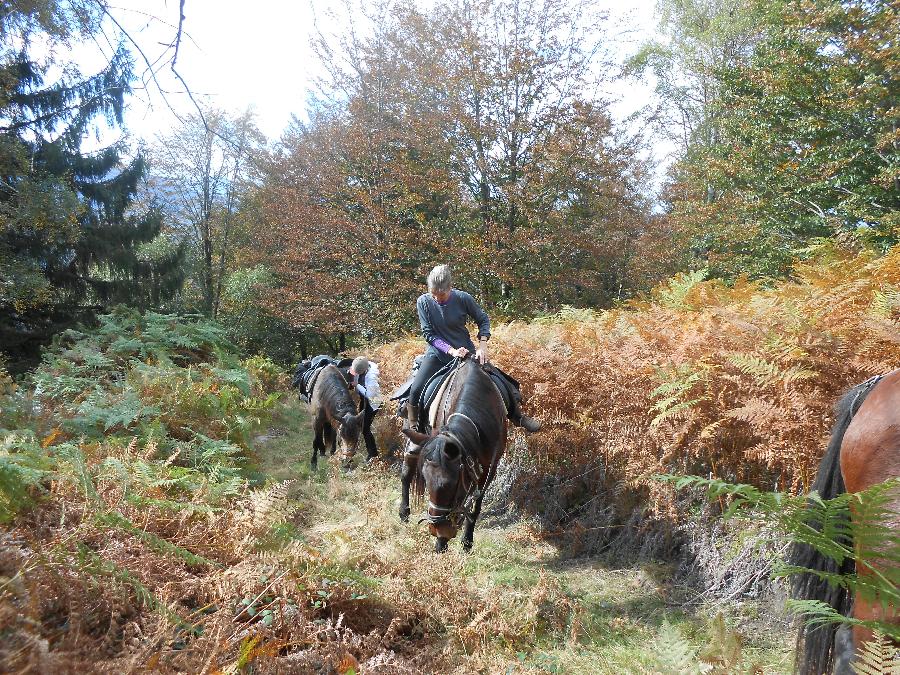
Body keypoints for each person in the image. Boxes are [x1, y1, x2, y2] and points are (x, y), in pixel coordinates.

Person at [406, 263, 541, 433]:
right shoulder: (423, 302)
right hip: (438, 355)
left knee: (497, 380)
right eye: (434, 294)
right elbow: (429, 335)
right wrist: (451, 351)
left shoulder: (463, 298)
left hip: (466, 353)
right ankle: (414, 430)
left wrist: (482, 346)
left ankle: (517, 416)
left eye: (442, 295)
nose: (437, 298)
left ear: (450, 288)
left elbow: (483, 320)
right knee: (416, 389)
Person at [346, 356, 382, 460]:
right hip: (364, 399)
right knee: (360, 423)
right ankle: (357, 444)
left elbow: (369, 394)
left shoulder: (372, 378)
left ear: (364, 370)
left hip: (373, 401)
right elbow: (352, 371)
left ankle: (373, 454)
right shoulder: (360, 365)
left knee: (365, 429)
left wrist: (357, 385)